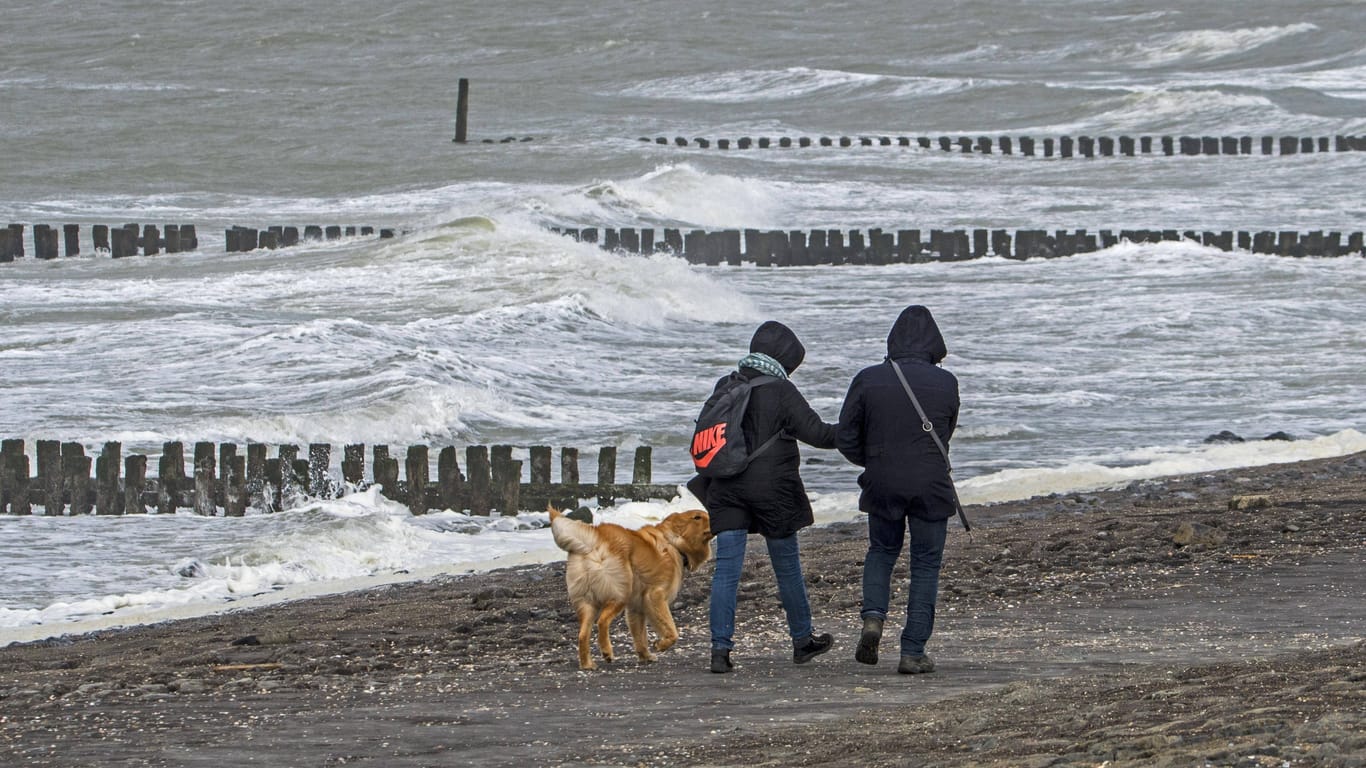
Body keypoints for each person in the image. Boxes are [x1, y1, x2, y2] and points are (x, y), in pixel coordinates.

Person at [687, 320, 837, 674]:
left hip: (725, 485)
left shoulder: (727, 385)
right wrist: (862, 428)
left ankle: (720, 651)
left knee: (726, 571)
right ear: (784, 358)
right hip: (774, 490)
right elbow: (819, 434)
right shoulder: (782, 390)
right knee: (787, 568)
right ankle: (802, 641)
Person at [836, 305, 960, 675]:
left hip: (883, 481)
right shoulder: (947, 382)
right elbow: (946, 432)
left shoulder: (868, 378)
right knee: (925, 565)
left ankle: (873, 617)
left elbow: (846, 436)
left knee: (882, 551)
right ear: (934, 343)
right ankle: (913, 651)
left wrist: (873, 461)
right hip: (931, 485)